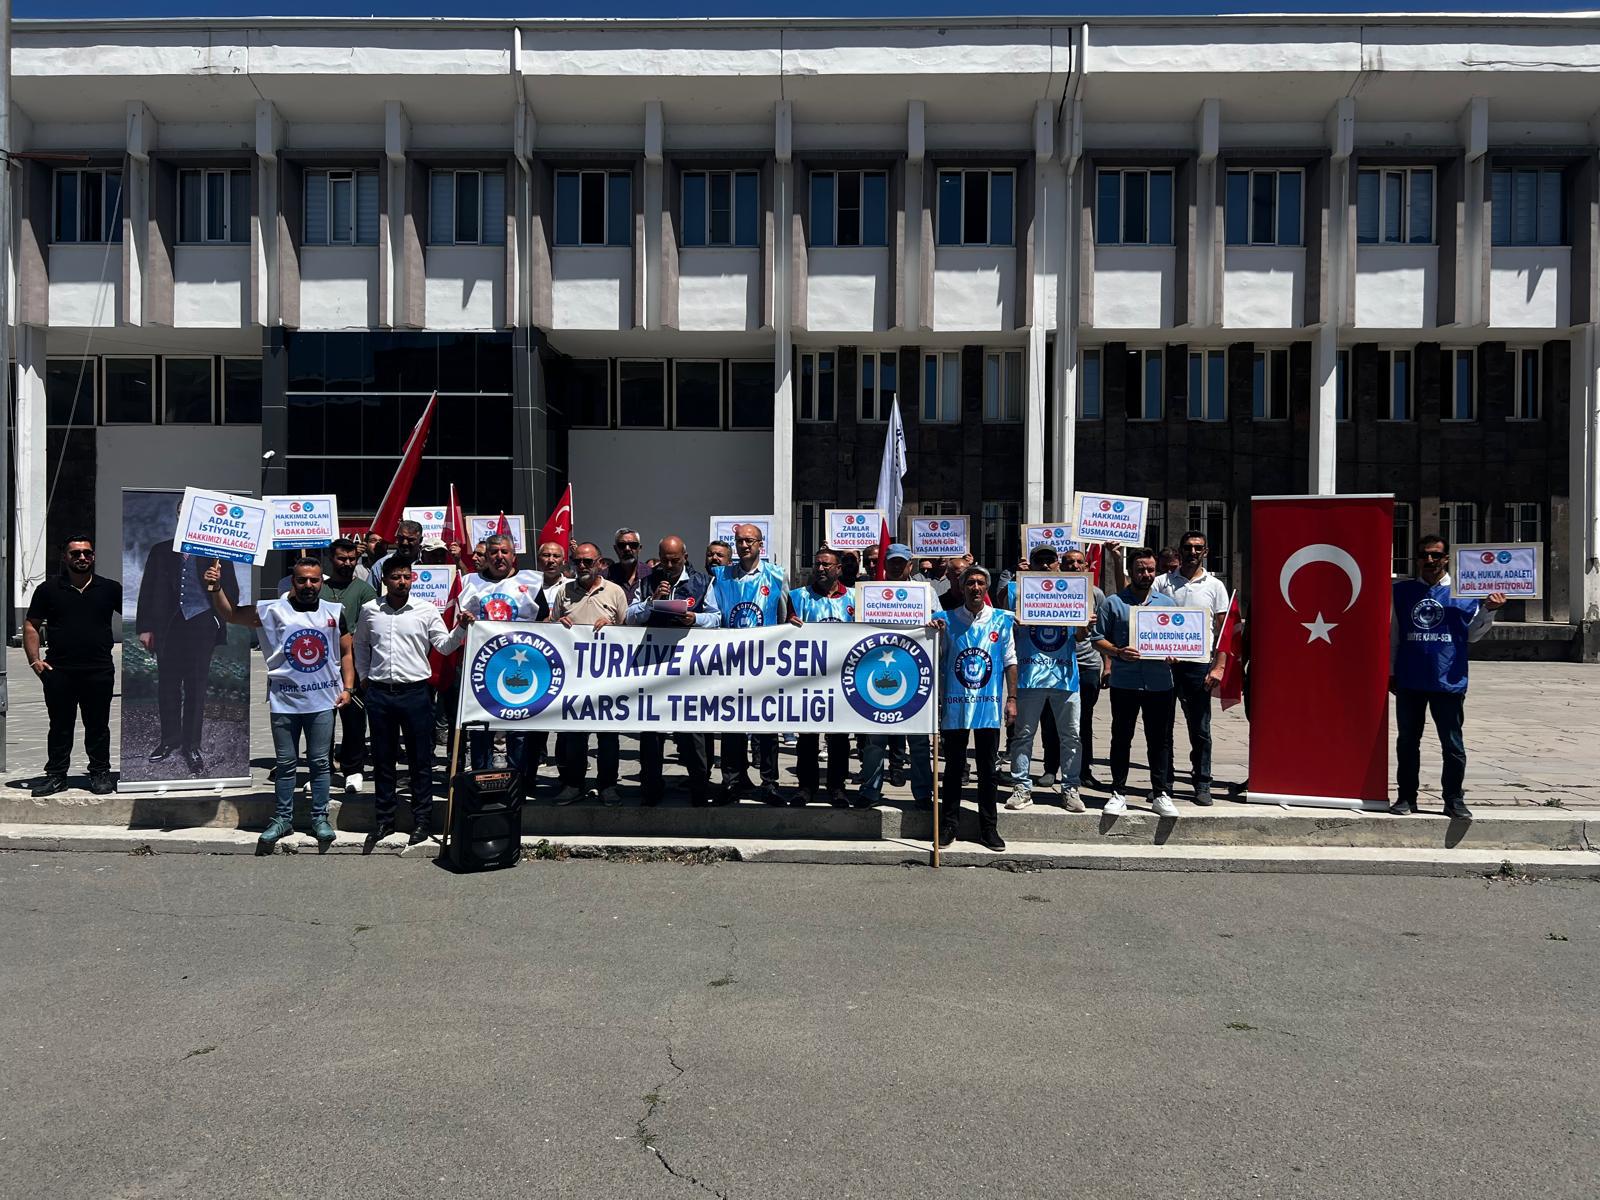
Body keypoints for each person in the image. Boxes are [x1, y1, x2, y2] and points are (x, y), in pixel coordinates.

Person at [205, 556, 354, 853]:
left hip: (322, 701)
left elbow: (347, 651)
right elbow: (231, 614)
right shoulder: (272, 610)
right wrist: (216, 588)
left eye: (314, 580)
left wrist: (348, 687)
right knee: (286, 764)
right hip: (285, 701)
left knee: (320, 763)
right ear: (292, 581)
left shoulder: (335, 612)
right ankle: (283, 818)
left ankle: (320, 818)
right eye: (302, 580)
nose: (308, 585)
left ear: (321, 582)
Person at [352, 555, 473, 853]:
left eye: (406, 576)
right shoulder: (370, 610)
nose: (402, 582)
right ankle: (384, 819)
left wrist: (461, 628)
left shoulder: (425, 610)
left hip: (416, 694)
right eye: (396, 577)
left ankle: (422, 820)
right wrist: (364, 677)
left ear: (412, 579)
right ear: (385, 580)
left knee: (420, 761)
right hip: (380, 694)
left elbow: (444, 646)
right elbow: (360, 644)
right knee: (383, 760)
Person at [1389, 534, 1505, 820]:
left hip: (1448, 679)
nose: (1430, 560)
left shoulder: (1465, 592)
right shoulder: (1401, 592)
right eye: (1424, 555)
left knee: (1452, 744)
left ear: (1446, 558)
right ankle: (1406, 797)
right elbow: (1393, 635)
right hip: (1410, 678)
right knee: (1407, 742)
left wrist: (1489, 610)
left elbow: (1473, 635)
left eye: (1436, 555)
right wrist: (1391, 672)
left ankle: (1453, 799)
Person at [134, 521, 241, 774]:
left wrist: (217, 591)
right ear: (178, 516)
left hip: (201, 624)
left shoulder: (217, 552)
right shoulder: (161, 551)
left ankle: (191, 746)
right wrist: (145, 627)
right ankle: (169, 740)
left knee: (196, 687)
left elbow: (233, 593)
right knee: (168, 685)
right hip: (167, 627)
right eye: (183, 512)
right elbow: (147, 589)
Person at [624, 536, 722, 806]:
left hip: (689, 670)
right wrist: (651, 601)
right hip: (654, 668)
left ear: (685, 557)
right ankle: (651, 789)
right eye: (664, 560)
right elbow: (629, 617)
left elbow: (716, 617)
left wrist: (695, 618)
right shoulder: (647, 582)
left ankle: (699, 787)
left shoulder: (703, 582)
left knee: (693, 732)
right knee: (651, 732)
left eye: (675, 560)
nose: (669, 566)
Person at [24, 536, 122, 797]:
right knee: (60, 725)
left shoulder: (110, 589)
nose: (82, 557)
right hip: (59, 671)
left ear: (93, 556)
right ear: (65, 557)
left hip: (99, 670)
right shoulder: (48, 590)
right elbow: (32, 624)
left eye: (87, 553)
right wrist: (34, 660)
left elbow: (137, 614)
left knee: (98, 725)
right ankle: (57, 777)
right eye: (75, 553)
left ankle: (100, 773)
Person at [931, 565, 1016, 851]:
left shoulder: (1001, 620)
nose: (975, 588)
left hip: (987, 707)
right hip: (955, 705)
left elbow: (1010, 661)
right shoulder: (945, 619)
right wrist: (933, 635)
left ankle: (988, 827)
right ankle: (949, 825)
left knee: (988, 770)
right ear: (962, 587)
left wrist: (1012, 699)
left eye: (980, 583)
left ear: (987, 588)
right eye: (970, 583)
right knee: (953, 768)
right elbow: (936, 658)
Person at [711, 523, 795, 803]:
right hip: (730, 664)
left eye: (750, 540)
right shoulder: (721, 575)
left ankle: (769, 783)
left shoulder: (777, 575)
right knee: (731, 727)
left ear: (761, 544)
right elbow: (714, 615)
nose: (744, 545)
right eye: (739, 541)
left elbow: (784, 617)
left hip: (765, 664)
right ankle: (732, 781)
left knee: (767, 727)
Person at [1093, 547, 1180, 818]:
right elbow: (1097, 638)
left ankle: (1161, 792)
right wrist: (1117, 652)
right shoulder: (1113, 603)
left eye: (1151, 569)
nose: (1146, 574)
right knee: (1121, 737)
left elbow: (1178, 639)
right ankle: (1118, 792)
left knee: (1160, 740)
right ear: (1130, 571)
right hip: (1125, 682)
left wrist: (1175, 654)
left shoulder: (1167, 604)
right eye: (1141, 569)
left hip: (1159, 683)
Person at [458, 533, 550, 782]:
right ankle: (482, 779)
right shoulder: (470, 582)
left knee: (519, 729)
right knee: (480, 728)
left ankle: (520, 781)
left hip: (521, 665)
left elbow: (544, 619)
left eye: (504, 552)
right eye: (494, 552)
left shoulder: (530, 582)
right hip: (482, 668)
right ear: (486, 556)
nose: (499, 557)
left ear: (513, 555)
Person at [1002, 547, 1086, 813]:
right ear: (1031, 563)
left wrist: (1086, 622)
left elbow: (1081, 636)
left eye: (1051, 560)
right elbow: (1004, 625)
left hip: (1065, 676)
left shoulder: (1074, 588)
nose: (1046, 564)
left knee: (1071, 736)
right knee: (1023, 736)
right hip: (1030, 674)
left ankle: (1070, 788)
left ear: (1057, 563)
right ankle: (1021, 787)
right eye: (1040, 560)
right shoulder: (1016, 589)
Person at [1152, 529, 1232, 806]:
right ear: (1180, 551)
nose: (1193, 552)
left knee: (1200, 729)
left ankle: (1202, 782)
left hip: (1198, 666)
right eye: (1188, 547)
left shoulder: (1215, 586)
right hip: (1164, 666)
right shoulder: (1162, 582)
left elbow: (1224, 631)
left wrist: (1219, 666)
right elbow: (1148, 617)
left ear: (1206, 552)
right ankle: (1164, 784)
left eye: (1198, 547)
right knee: (1162, 728)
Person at [549, 542, 631, 805]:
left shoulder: (615, 592)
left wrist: (613, 625)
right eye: (577, 562)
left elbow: (629, 630)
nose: (582, 566)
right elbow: (550, 628)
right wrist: (558, 625)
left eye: (587, 561)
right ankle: (574, 784)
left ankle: (608, 786)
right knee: (574, 735)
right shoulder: (563, 591)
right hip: (574, 678)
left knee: (608, 737)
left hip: (607, 678)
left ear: (600, 563)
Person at [787, 547, 855, 807]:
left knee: (839, 738)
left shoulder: (855, 598)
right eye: (817, 564)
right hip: (809, 679)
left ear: (839, 569)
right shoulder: (798, 597)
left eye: (827, 564)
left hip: (842, 679)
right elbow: (782, 631)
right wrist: (788, 625)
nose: (821, 568)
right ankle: (806, 787)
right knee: (807, 737)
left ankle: (837, 787)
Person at [322, 537, 379, 794]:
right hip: (322, 665)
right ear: (331, 559)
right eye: (341, 558)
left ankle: (353, 769)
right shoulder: (320, 588)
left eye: (352, 559)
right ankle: (322, 768)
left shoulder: (364, 591)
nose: (347, 563)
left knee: (354, 719)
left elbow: (372, 626)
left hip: (354, 665)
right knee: (322, 719)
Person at [1062, 545, 1109, 790]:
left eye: (1079, 562)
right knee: (1054, 718)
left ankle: (1084, 769)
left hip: (1088, 664)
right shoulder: (1053, 591)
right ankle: (1051, 767)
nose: (1074, 566)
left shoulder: (1097, 594)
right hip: (1058, 664)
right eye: (1069, 562)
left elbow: (1104, 632)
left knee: (1084, 719)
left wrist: (1107, 665)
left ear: (1086, 566)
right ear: (1062, 566)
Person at [608, 527, 645, 600]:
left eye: (633, 545)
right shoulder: (605, 577)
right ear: (615, 549)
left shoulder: (651, 574)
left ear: (639, 548)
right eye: (622, 545)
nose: (627, 549)